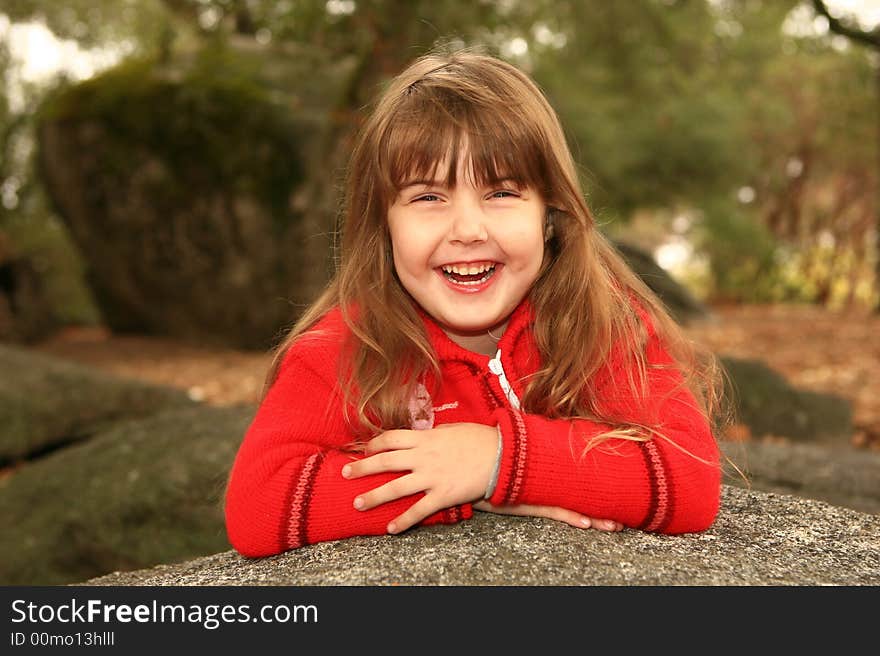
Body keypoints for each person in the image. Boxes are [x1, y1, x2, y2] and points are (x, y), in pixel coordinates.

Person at [224, 47, 723, 558]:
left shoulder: (601, 322)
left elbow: (689, 476)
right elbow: (258, 506)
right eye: (427, 197)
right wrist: (459, 479)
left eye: (501, 193)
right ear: (383, 224)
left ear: (549, 212)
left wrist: (497, 460)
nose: (467, 230)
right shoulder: (345, 346)